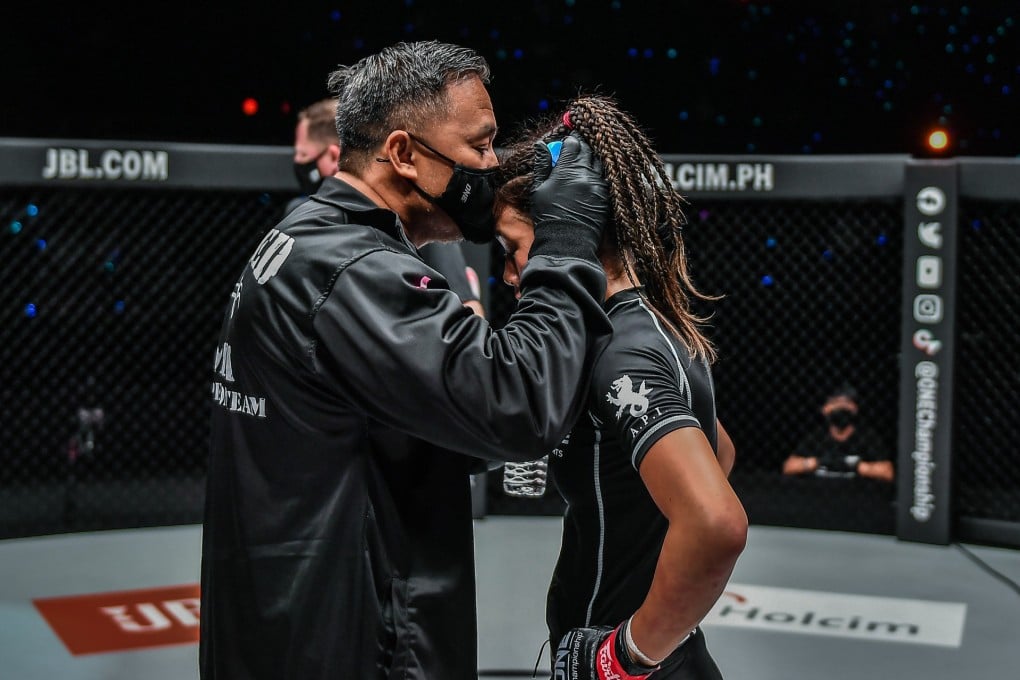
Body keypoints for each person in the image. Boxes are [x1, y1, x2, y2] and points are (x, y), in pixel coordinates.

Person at [200, 41, 614, 679]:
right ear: (403, 154)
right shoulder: (354, 271)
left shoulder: (310, 240)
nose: (490, 163)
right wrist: (564, 243)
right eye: (478, 145)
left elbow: (417, 423)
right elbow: (519, 406)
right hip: (354, 643)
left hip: (294, 625)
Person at [494, 96, 747, 680]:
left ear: (570, 227)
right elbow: (720, 452)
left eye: (513, 250)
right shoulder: (641, 324)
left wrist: (625, 656)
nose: (507, 274)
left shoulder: (622, 354)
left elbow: (716, 524)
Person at [291, 96, 485, 316]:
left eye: (303, 154)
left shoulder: (416, 221)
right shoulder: (302, 217)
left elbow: (470, 310)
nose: (297, 162)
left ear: (334, 156)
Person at [782, 384, 894, 482]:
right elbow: (788, 467)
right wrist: (818, 462)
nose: (840, 407)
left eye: (846, 402)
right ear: (825, 409)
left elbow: (887, 472)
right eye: (834, 403)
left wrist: (855, 466)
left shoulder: (867, 437)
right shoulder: (817, 437)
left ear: (855, 408)